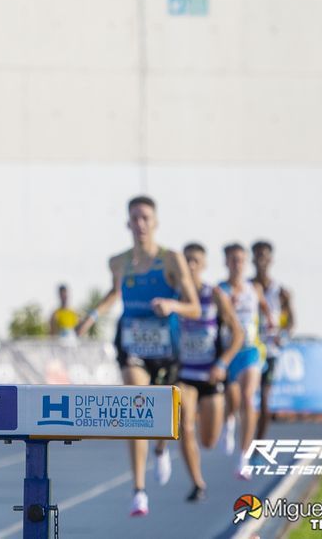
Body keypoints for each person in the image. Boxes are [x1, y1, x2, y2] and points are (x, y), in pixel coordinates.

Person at [77, 196, 200, 517]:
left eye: (146, 217)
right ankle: (139, 490)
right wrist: (91, 316)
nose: (141, 223)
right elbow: (114, 293)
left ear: (155, 223)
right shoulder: (118, 261)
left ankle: (160, 446)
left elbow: (194, 306)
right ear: (128, 223)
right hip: (132, 344)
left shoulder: (172, 259)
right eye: (135, 218)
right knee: (135, 402)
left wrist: (172, 306)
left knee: (166, 414)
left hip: (166, 347)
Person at [176, 243, 244, 502]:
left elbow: (239, 334)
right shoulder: (177, 295)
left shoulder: (213, 294)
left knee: (209, 441)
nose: (191, 265)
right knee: (184, 425)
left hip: (211, 375)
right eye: (187, 260)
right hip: (185, 375)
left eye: (196, 260)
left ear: (203, 265)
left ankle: (226, 420)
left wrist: (223, 363)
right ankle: (197, 482)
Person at [217, 243, 272, 479]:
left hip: (251, 350)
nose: (237, 264)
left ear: (245, 262)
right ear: (226, 262)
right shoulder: (219, 290)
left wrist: (271, 322)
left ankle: (243, 457)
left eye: (240, 259)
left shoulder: (254, 288)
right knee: (233, 401)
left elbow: (266, 311)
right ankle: (229, 420)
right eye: (232, 260)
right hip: (229, 352)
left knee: (249, 399)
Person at [251, 240, 295, 441]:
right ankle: (242, 439)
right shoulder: (247, 287)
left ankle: (258, 443)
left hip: (270, 352)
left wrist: (282, 336)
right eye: (257, 255)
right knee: (245, 399)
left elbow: (291, 321)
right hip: (250, 350)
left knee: (265, 400)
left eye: (264, 255)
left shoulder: (280, 291)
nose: (261, 259)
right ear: (252, 258)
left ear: (271, 259)